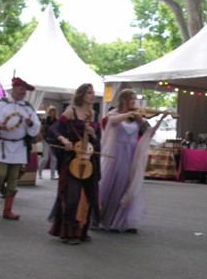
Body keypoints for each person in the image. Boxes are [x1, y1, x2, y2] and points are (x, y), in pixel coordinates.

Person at [99, 89, 168, 233]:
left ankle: (124, 220)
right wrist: (130, 114)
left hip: (132, 153)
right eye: (132, 98)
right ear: (124, 100)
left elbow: (149, 132)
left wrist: (161, 118)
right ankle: (109, 219)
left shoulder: (137, 118)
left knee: (129, 184)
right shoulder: (115, 114)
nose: (134, 102)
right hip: (118, 153)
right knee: (117, 183)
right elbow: (112, 121)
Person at [46, 83, 101, 245]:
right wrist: (64, 140)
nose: (93, 95)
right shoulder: (72, 111)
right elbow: (54, 129)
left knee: (90, 197)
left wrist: (94, 136)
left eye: (93, 92)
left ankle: (82, 230)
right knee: (72, 196)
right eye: (89, 93)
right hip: (73, 159)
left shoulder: (94, 114)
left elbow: (97, 140)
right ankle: (69, 232)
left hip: (89, 159)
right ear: (82, 95)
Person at [0, 77, 40, 220]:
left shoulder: (27, 107)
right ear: (14, 89)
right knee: (0, 175)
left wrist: (30, 124)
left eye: (25, 90)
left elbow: (36, 126)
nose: (24, 92)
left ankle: (7, 210)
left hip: (19, 146)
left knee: (13, 178)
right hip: (3, 145)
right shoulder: (1, 104)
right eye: (22, 89)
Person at [38, 105, 58, 180]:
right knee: (45, 158)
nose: (53, 113)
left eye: (54, 112)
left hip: (53, 141)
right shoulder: (45, 120)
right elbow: (41, 130)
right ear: (49, 112)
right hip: (46, 140)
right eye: (52, 111)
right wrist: (42, 137)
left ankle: (52, 174)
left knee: (54, 158)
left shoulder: (57, 121)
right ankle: (39, 172)